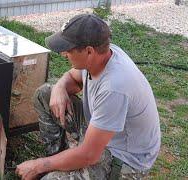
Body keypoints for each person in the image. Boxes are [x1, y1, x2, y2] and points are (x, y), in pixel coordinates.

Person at [15, 14, 161, 180]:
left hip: (122, 159)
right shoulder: (100, 56)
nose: (63, 53)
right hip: (99, 136)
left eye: (68, 49)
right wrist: (60, 87)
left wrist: (38, 165)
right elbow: (73, 77)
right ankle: (58, 161)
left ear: (89, 51)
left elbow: (89, 155)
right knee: (45, 94)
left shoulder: (114, 88)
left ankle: (53, 168)